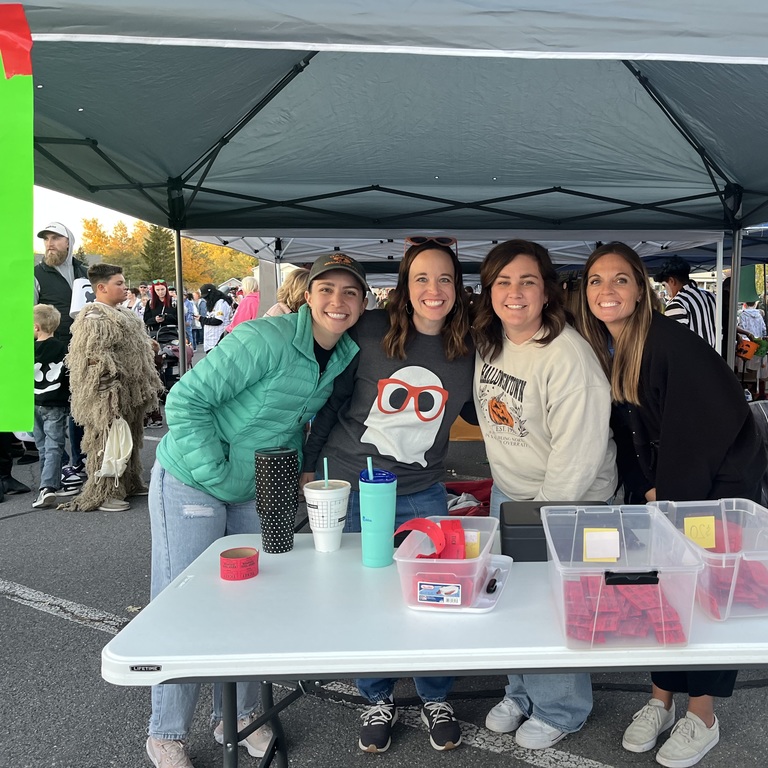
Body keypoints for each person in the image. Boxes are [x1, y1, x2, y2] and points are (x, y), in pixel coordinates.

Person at [145, 252, 365, 768]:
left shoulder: (341, 355)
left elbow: (290, 425)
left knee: (251, 599)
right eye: (326, 289)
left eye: (350, 292)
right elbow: (184, 401)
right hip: (193, 480)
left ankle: (241, 717)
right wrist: (218, 468)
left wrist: (286, 484)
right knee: (185, 598)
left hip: (255, 488)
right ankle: (167, 730)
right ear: (307, 294)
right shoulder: (264, 338)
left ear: (362, 303)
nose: (338, 301)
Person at [576, 242, 767, 768]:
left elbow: (705, 424)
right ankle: (660, 698)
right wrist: (644, 489)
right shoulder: (605, 346)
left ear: (641, 290)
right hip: (665, 481)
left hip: (717, 482)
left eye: (619, 280)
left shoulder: (667, 342)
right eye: (595, 281)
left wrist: (671, 491)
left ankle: (702, 714)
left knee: (704, 594)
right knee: (659, 591)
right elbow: (630, 430)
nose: (606, 290)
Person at [301, 237, 474, 754]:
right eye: (421, 278)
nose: (433, 289)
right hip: (353, 483)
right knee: (366, 595)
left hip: (423, 489)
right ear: (404, 285)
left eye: (444, 278)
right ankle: (376, 695)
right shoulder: (370, 330)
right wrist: (311, 465)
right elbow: (333, 401)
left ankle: (434, 695)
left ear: (458, 288)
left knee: (436, 592)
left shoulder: (469, 348)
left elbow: (479, 410)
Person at [473, 239, 617, 750]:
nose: (515, 293)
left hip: (566, 502)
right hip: (511, 494)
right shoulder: (492, 341)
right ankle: (521, 690)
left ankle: (561, 708)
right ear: (488, 290)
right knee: (510, 597)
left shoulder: (568, 358)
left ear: (548, 291)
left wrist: (540, 519)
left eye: (528, 281)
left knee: (555, 604)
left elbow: (576, 458)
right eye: (503, 282)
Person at [61, 264, 163, 512]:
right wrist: (107, 396)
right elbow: (93, 359)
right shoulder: (94, 317)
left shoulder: (124, 314)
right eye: (119, 283)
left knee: (130, 439)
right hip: (109, 394)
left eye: (124, 282)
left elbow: (132, 346)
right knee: (105, 443)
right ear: (101, 287)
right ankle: (105, 492)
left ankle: (128, 482)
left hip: (131, 392)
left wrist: (148, 347)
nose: (124, 287)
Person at [34, 222, 88, 494]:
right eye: (46, 239)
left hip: (83, 350)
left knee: (80, 409)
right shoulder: (36, 275)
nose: (50, 243)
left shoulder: (85, 272)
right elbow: (28, 318)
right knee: (52, 412)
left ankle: (77, 463)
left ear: (69, 241)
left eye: (56, 237)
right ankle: (61, 464)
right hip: (49, 357)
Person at [31, 304, 71, 509]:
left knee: (41, 445)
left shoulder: (27, 348)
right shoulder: (63, 348)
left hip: (34, 402)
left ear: (36, 327)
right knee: (55, 444)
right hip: (55, 403)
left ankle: (47, 485)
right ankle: (50, 484)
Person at [654, 256, 717, 346]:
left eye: (664, 285)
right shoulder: (712, 297)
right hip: (715, 356)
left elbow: (673, 343)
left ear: (672, 281)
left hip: (691, 358)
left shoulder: (677, 304)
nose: (666, 291)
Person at [197, 283, 233, 351]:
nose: (206, 299)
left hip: (217, 340)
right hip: (211, 341)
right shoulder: (213, 304)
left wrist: (202, 319)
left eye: (206, 297)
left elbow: (218, 320)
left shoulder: (221, 303)